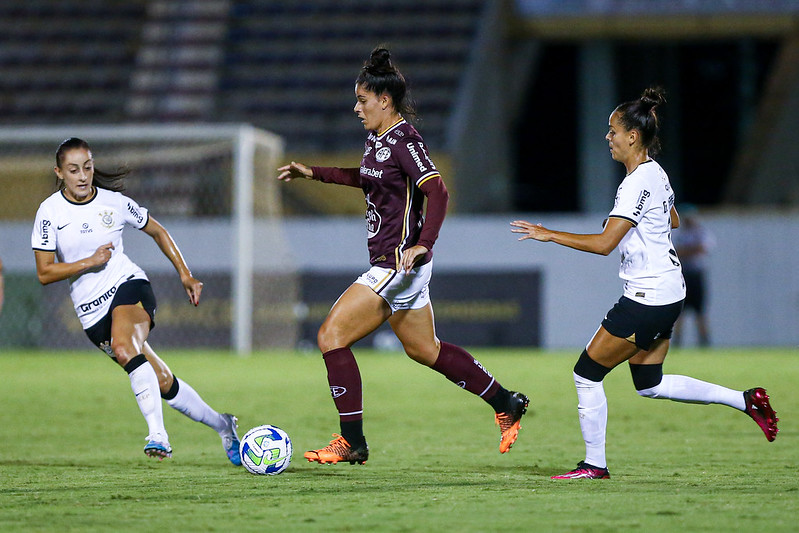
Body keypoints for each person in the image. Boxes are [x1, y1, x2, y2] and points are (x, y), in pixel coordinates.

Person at [277, 47, 529, 465]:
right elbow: (367, 178)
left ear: (384, 100)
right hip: (399, 266)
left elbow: (438, 190)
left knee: (330, 337)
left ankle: (352, 441)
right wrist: (314, 173)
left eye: (361, 100)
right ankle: (507, 401)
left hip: (397, 264)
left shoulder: (405, 139)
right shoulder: (377, 140)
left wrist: (423, 244)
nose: (356, 108)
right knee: (424, 349)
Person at [510, 87, 778, 480]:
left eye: (612, 130)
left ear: (632, 136)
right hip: (669, 291)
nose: (608, 137)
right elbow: (673, 221)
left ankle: (593, 466)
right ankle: (746, 400)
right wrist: (637, 226)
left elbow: (604, 245)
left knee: (586, 374)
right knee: (649, 383)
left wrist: (548, 233)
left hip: (648, 295)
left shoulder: (637, 183)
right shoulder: (655, 172)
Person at [31, 137, 241, 464]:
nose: (83, 175)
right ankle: (222, 424)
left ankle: (158, 436)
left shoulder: (113, 202)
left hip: (129, 286)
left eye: (87, 167)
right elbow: (45, 272)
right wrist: (89, 261)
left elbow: (157, 230)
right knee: (161, 381)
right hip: (90, 312)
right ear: (59, 173)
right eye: (73, 170)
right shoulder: (49, 212)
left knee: (125, 347)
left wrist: (185, 273)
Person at [672, 207, 714, 347]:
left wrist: (686, 250)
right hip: (683, 275)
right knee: (680, 312)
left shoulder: (701, 232)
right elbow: (677, 252)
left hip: (696, 275)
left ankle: (704, 341)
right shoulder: (679, 233)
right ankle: (678, 341)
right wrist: (692, 249)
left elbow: (703, 249)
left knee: (700, 311)